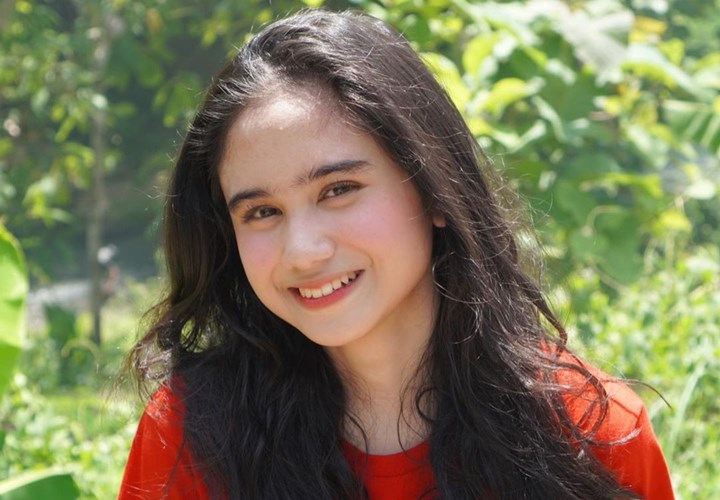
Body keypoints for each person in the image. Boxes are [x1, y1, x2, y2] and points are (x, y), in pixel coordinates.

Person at [119, 9, 674, 500]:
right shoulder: (191, 438)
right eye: (262, 211)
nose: (303, 251)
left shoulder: (592, 434)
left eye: (338, 189)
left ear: (434, 190)